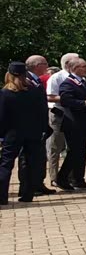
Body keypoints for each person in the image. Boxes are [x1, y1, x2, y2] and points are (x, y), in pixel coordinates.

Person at [0, 62, 51, 205]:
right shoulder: (35, 91)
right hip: (32, 132)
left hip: (13, 133)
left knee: (6, 163)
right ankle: (28, 194)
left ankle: (2, 196)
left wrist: (2, 134)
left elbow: (2, 116)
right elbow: (42, 112)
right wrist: (42, 129)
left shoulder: (5, 93)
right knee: (31, 164)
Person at [56, 57, 86, 191]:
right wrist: (84, 103)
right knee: (74, 152)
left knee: (80, 152)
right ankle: (62, 178)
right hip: (73, 123)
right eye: (84, 66)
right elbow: (66, 100)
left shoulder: (82, 82)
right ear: (75, 68)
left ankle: (78, 179)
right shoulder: (68, 83)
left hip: (83, 122)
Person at [45, 52, 78, 189]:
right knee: (55, 147)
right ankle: (54, 177)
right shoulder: (56, 78)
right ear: (67, 64)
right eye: (76, 62)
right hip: (58, 114)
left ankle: (70, 176)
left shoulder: (77, 78)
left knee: (72, 147)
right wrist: (68, 98)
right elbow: (50, 97)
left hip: (73, 115)